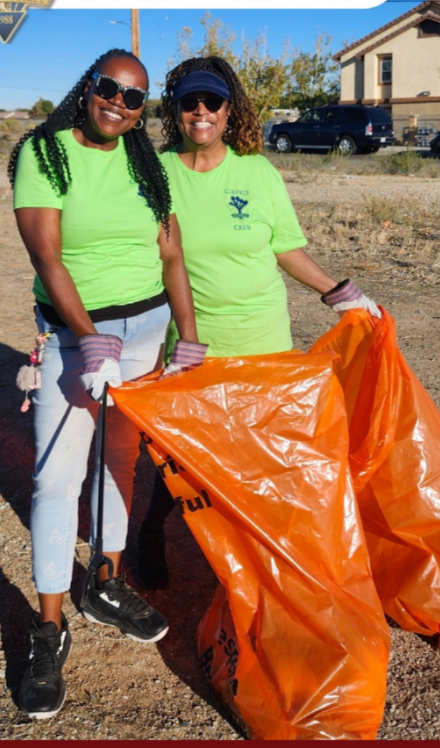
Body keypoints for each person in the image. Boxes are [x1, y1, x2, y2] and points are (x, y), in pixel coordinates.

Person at [6, 48, 205, 721]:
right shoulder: (47, 152)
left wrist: (188, 332)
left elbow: (171, 252)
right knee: (57, 477)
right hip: (75, 337)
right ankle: (49, 627)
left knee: (118, 461)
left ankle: (106, 583)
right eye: (109, 88)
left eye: (134, 97)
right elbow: (47, 256)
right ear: (88, 85)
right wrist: (90, 338)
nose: (118, 103)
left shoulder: (144, 163)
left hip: (147, 332)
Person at [129, 56, 378, 587]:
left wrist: (338, 292)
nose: (201, 112)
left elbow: (285, 248)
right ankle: (148, 533)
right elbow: (139, 253)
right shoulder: (157, 172)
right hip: (196, 343)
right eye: (190, 103)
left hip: (266, 339)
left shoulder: (257, 170)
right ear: (176, 111)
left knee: (267, 455)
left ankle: (260, 558)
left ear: (228, 111)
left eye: (212, 103)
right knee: (183, 455)